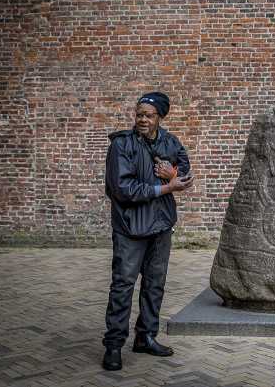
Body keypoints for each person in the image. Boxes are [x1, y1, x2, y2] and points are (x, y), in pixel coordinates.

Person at [102, 92, 194, 371]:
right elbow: (122, 189)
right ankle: (114, 345)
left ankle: (146, 337)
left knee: (155, 285)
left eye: (148, 115)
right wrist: (166, 187)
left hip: (161, 225)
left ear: (159, 118)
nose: (142, 119)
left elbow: (186, 173)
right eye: (139, 114)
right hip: (131, 226)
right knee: (123, 286)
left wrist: (173, 175)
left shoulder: (170, 141)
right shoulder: (122, 145)